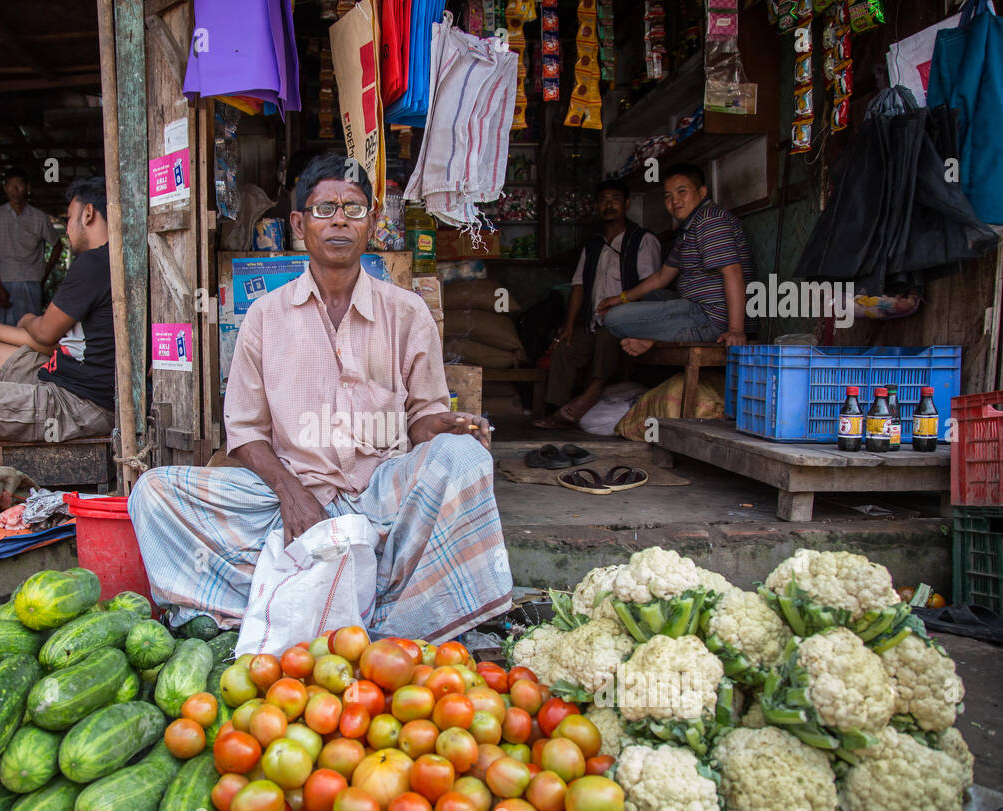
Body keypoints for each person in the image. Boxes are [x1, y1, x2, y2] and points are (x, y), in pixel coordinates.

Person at [130, 154, 513, 643]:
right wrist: (292, 495)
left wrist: (441, 427)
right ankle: (337, 596)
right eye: (324, 208)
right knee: (154, 494)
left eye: (353, 210)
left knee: (463, 457)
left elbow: (421, 420)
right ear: (298, 223)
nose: (339, 220)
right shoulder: (266, 317)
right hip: (290, 498)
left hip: (383, 496)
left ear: (373, 223)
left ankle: (380, 612)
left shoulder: (407, 313)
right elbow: (245, 435)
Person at [0, 177, 115, 444]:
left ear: (88, 214)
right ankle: (7, 440)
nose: (68, 229)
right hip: (62, 376)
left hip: (81, 404)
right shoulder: (107, 260)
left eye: (70, 217)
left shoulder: (93, 264)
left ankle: (9, 451)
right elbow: (46, 343)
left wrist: (27, 319)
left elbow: (44, 334)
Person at [535, 179, 661, 428]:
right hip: (593, 323)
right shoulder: (593, 245)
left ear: (626, 204)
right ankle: (556, 409)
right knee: (565, 347)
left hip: (627, 324)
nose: (609, 204)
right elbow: (579, 285)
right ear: (596, 207)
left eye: (615, 198)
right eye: (603, 200)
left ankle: (592, 393)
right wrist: (569, 325)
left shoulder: (643, 241)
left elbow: (653, 285)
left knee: (607, 335)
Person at [596, 163, 754, 356]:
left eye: (681, 192)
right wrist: (620, 298)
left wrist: (736, 330)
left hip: (712, 319)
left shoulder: (710, 221)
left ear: (702, 192)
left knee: (614, 319)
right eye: (668, 196)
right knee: (650, 295)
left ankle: (652, 338)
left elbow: (733, 272)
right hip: (694, 308)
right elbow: (662, 276)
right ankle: (653, 337)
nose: (674, 201)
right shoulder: (690, 226)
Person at [0, 167, 63, 325]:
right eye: (11, 185)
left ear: (27, 188)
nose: (15, 190)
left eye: (19, 185)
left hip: (30, 281)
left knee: (29, 334)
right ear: (5, 188)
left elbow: (58, 246)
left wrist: (43, 276)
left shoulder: (39, 218)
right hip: (3, 280)